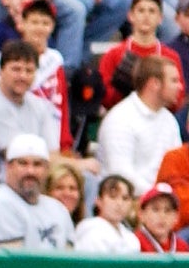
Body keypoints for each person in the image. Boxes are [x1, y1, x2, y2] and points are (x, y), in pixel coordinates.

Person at [97, 52, 179, 192]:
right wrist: (159, 195)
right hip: (128, 202)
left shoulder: (169, 119)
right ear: (155, 83)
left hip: (164, 202)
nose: (180, 87)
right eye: (174, 81)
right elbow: (122, 176)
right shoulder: (120, 119)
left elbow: (176, 168)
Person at [0, 131, 74, 245]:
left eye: (37, 164)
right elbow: (13, 261)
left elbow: (70, 257)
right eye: (23, 163)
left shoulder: (58, 209)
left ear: (47, 169)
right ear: (8, 167)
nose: (30, 171)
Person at [74, 170, 141, 249]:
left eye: (125, 198)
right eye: (112, 197)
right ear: (99, 201)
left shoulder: (131, 238)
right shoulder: (91, 232)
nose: (119, 203)